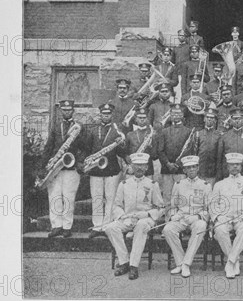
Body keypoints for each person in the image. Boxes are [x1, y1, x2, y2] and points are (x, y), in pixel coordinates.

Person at [104, 153, 164, 280]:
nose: (139, 168)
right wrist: (123, 217)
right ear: (131, 166)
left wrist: (147, 214)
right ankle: (124, 262)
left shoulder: (153, 184)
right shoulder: (124, 184)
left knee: (141, 226)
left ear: (147, 167)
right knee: (110, 228)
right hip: (128, 218)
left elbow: (160, 208)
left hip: (145, 219)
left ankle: (134, 266)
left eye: (142, 165)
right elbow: (117, 205)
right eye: (136, 165)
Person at [210, 152, 243, 278]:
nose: (235, 167)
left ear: (241, 166)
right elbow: (212, 205)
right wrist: (218, 217)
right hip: (225, 218)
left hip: (242, 218)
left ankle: (230, 262)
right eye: (232, 165)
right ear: (227, 167)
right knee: (219, 229)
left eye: (237, 165)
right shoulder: (219, 184)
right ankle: (234, 261)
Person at [40, 100, 87, 238]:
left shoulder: (79, 127)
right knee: (54, 197)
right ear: (61, 111)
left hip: (71, 168)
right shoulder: (55, 127)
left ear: (73, 111)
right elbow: (48, 147)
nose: (67, 112)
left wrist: (79, 162)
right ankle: (56, 226)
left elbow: (84, 148)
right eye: (64, 110)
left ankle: (67, 226)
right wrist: (43, 167)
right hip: (55, 168)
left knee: (68, 198)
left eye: (69, 110)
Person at [163, 155, 211, 278]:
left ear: (198, 168)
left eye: (194, 167)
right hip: (181, 218)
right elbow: (173, 206)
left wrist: (198, 216)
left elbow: (208, 209)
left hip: (196, 218)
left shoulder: (205, 185)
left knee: (201, 226)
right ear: (184, 170)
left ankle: (186, 264)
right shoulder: (178, 184)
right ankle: (180, 262)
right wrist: (173, 215)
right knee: (168, 229)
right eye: (188, 168)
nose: (191, 170)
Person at [86, 103, 127, 239]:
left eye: (108, 114)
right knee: (97, 198)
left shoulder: (117, 130)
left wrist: (121, 144)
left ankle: (107, 226)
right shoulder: (92, 130)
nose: (106, 116)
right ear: (100, 115)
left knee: (111, 198)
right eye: (104, 114)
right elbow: (87, 149)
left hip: (112, 170)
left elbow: (121, 153)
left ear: (111, 115)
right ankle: (97, 226)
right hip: (96, 169)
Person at [158, 104, 194, 202]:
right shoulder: (164, 131)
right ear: (170, 115)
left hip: (181, 169)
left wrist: (178, 164)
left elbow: (189, 150)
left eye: (178, 113)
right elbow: (160, 150)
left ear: (182, 115)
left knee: (181, 195)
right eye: (173, 113)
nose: (176, 116)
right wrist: (167, 164)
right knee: (167, 195)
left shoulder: (188, 131)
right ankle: (168, 217)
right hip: (167, 169)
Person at [216, 108, 243, 181]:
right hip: (228, 173)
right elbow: (219, 158)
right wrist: (220, 174)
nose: (237, 121)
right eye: (235, 118)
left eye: (240, 118)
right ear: (230, 120)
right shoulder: (224, 137)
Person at [123, 109, 158, 179]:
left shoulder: (152, 134)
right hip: (133, 169)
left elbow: (155, 156)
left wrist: (151, 146)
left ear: (147, 119)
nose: (142, 120)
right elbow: (124, 152)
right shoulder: (130, 134)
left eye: (144, 118)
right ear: (136, 119)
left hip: (147, 169)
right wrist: (126, 158)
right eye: (140, 118)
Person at [190, 108, 221, 187]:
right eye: (207, 117)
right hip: (200, 171)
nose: (209, 119)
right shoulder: (198, 134)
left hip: (213, 171)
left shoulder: (219, 135)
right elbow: (194, 153)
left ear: (215, 120)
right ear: (204, 119)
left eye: (212, 118)